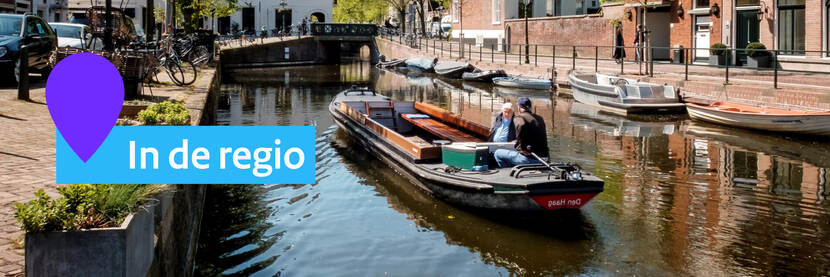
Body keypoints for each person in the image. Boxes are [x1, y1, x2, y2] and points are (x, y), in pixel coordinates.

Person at [493, 97, 549, 168]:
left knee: (497, 153)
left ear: (519, 108)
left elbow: (521, 126)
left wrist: (522, 148)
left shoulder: (519, 117)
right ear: (530, 108)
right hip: (544, 159)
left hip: (529, 159)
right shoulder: (540, 118)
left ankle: (508, 173)